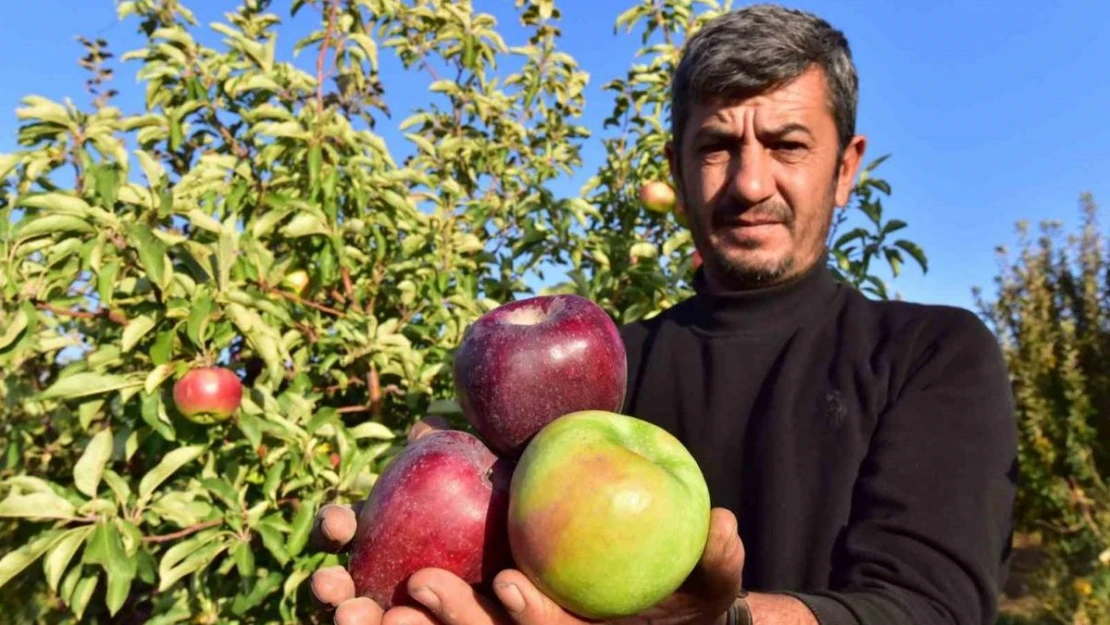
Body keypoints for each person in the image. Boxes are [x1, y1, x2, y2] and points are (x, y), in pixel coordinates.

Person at [307, 4, 1019, 625]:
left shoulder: (933, 352)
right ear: (675, 169)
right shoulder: (597, 371)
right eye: (716, 146)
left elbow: (932, 605)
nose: (749, 181)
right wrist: (418, 533)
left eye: (787, 144)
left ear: (846, 168)